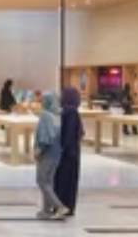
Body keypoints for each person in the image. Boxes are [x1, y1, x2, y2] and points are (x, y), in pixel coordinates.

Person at [34, 91, 68, 220]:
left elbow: (45, 137)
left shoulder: (45, 115)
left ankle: (59, 206)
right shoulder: (57, 115)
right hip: (56, 153)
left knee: (41, 181)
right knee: (49, 182)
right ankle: (46, 210)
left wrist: (38, 151)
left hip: (47, 153)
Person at [54, 86, 84, 218]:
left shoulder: (69, 112)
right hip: (71, 153)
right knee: (69, 182)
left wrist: (62, 149)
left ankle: (63, 206)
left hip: (67, 154)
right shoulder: (71, 111)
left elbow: (68, 135)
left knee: (64, 181)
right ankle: (67, 206)